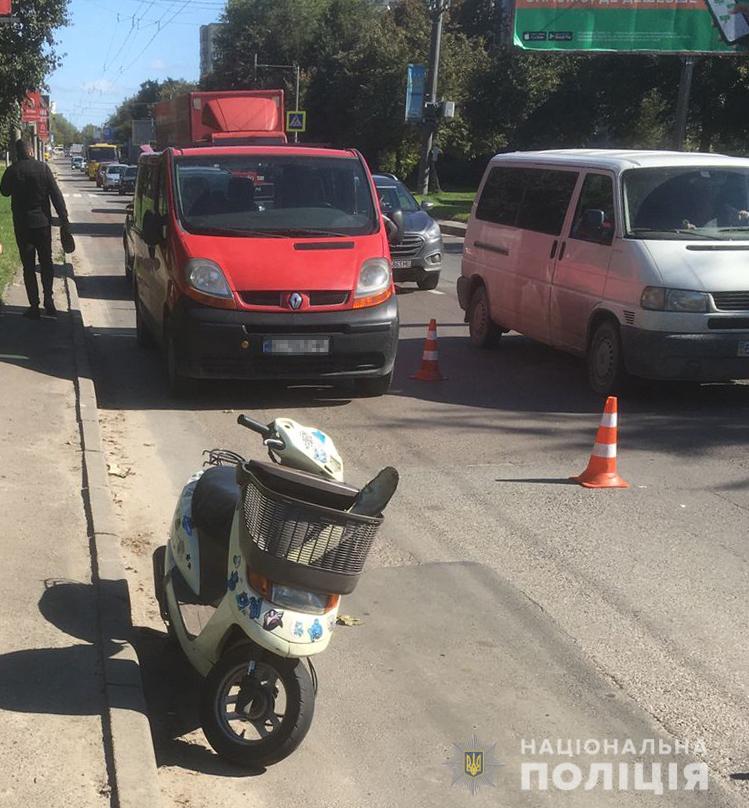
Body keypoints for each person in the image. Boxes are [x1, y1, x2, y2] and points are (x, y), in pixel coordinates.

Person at [0, 139, 70, 319]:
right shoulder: (43, 169)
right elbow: (56, 195)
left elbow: (4, 191)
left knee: (28, 267)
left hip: (23, 226)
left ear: (17, 153)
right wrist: (64, 218)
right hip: (43, 225)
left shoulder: (13, 170)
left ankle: (34, 306)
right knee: (46, 263)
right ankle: (49, 300)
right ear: (31, 151)